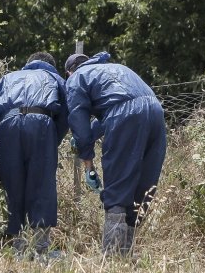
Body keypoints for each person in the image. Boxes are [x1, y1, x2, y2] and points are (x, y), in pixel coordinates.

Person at [65, 51, 167, 256]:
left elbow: (80, 124)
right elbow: (116, 108)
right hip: (156, 112)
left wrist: (88, 164)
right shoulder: (117, 69)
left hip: (124, 114)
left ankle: (112, 257)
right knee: (143, 188)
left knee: (118, 189)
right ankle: (126, 253)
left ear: (69, 72)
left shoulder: (76, 79)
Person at [0, 52, 69, 257]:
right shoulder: (54, 78)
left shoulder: (8, 78)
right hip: (41, 123)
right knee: (42, 185)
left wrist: (2, 141)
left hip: (7, 125)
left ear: (28, 63)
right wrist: (53, 141)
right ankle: (42, 248)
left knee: (13, 185)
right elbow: (65, 114)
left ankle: (19, 248)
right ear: (51, 65)